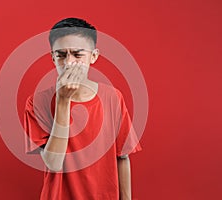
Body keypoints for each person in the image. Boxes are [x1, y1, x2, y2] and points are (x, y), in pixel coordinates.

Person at [23, 17, 141, 200]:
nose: (69, 62)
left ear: (93, 56)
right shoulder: (37, 102)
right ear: (53, 57)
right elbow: (53, 163)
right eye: (61, 55)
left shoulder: (112, 97)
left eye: (78, 55)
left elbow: (123, 157)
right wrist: (63, 100)